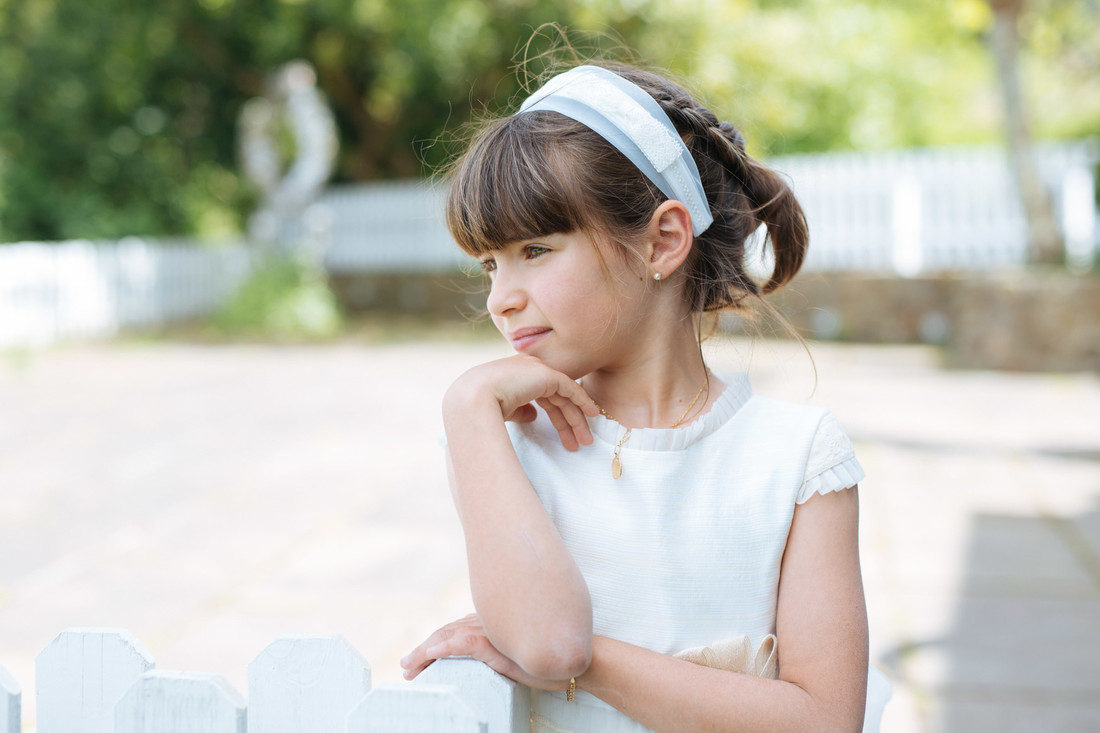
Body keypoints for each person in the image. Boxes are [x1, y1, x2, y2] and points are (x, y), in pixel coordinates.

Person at [400, 62, 890, 732]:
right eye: (490, 263)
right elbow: (547, 641)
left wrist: (592, 663)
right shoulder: (501, 441)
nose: (499, 298)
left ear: (663, 240)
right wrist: (465, 403)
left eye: (535, 249)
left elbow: (826, 719)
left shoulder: (796, 457)